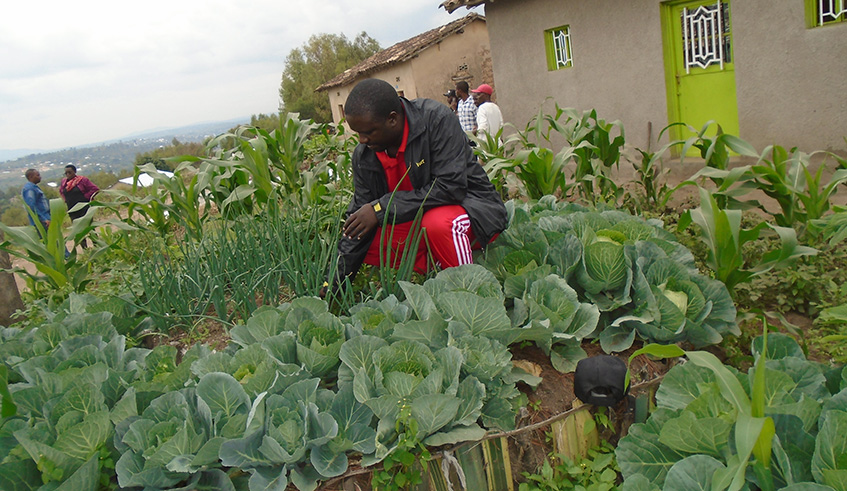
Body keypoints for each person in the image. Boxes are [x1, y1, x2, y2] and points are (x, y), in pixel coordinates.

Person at [323, 78, 507, 296]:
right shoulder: (366, 156)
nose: (362, 140)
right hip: (417, 222)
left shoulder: (435, 121)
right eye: (357, 133)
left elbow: (451, 187)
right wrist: (331, 285)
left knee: (437, 223)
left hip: (471, 210)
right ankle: (438, 268)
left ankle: (469, 293)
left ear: (392, 119)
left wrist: (380, 208)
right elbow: (361, 217)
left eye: (369, 132)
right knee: (362, 231)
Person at [59, 164, 99, 248]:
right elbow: (61, 191)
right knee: (78, 231)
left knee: (90, 228)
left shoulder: (82, 180)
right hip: (72, 210)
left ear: (74, 172)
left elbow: (95, 189)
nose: (67, 174)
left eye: (69, 172)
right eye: (66, 173)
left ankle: (97, 246)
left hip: (84, 208)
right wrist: (65, 200)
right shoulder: (64, 182)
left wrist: (86, 197)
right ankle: (85, 249)